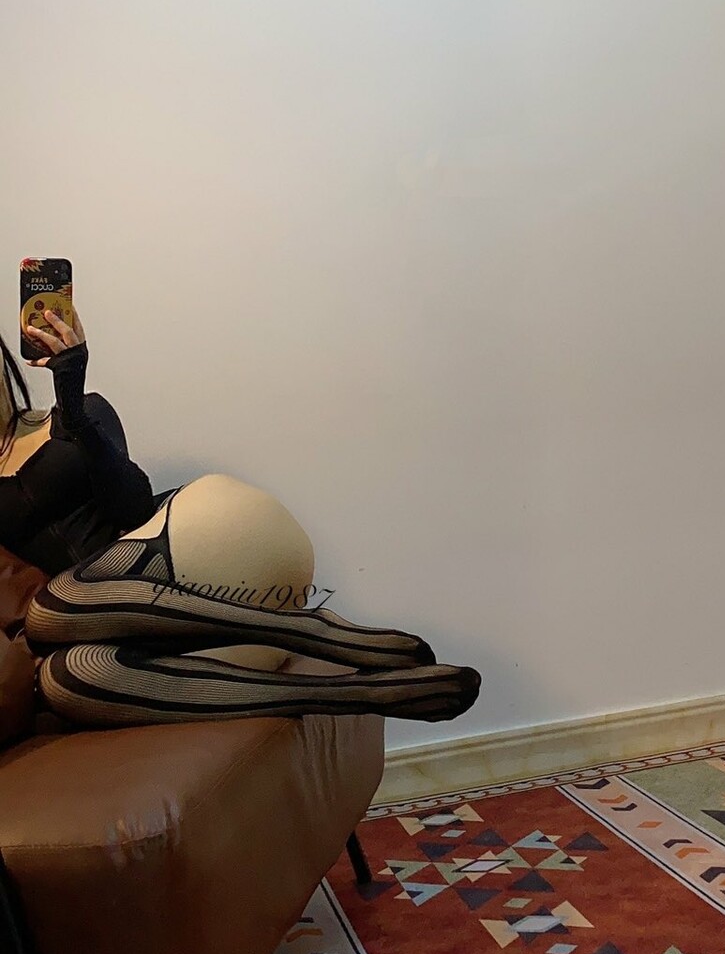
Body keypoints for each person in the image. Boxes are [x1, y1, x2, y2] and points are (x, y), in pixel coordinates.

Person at [5, 313, 480, 730]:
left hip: (196, 546)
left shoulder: (77, 413)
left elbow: (131, 508)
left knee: (52, 610)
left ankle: (312, 631)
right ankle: (357, 695)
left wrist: (74, 411)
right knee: (67, 679)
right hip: (120, 620)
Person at [0, 309, 155, 576]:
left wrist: (75, 417)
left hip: (144, 581)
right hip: (62, 598)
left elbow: (136, 511)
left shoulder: (84, 413)